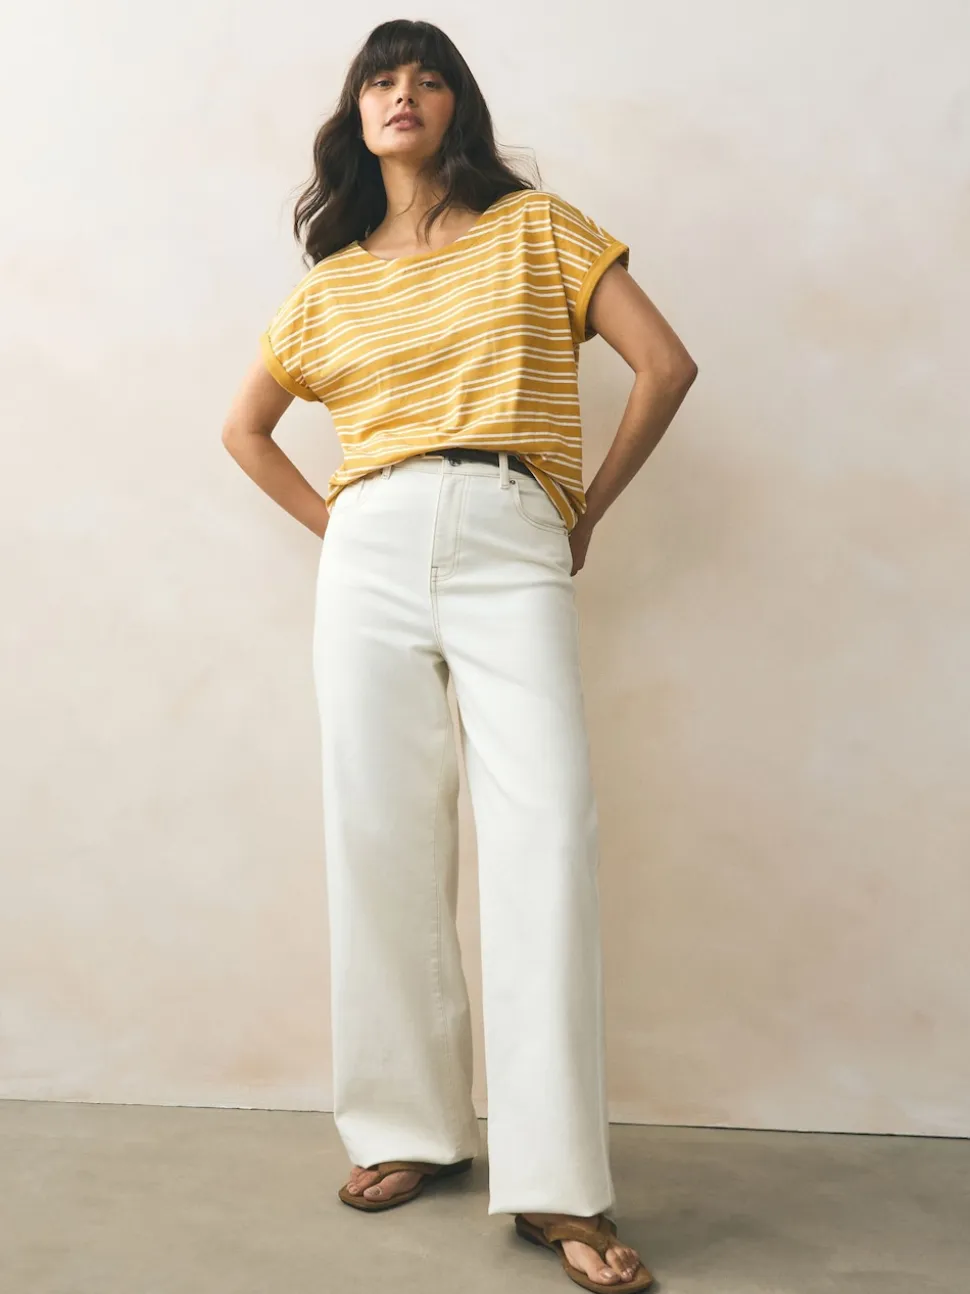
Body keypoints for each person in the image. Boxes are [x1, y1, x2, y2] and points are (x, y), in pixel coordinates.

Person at [222, 19, 697, 1291]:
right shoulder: (328, 283)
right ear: (355, 114)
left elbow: (665, 364)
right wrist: (339, 528)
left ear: (457, 108)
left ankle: (558, 1183)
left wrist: (584, 513)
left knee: (545, 836)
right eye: (381, 78)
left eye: (427, 77)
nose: (403, 93)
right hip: (369, 546)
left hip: (508, 525)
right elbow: (244, 429)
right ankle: (407, 1129)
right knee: (378, 833)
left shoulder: (537, 229)